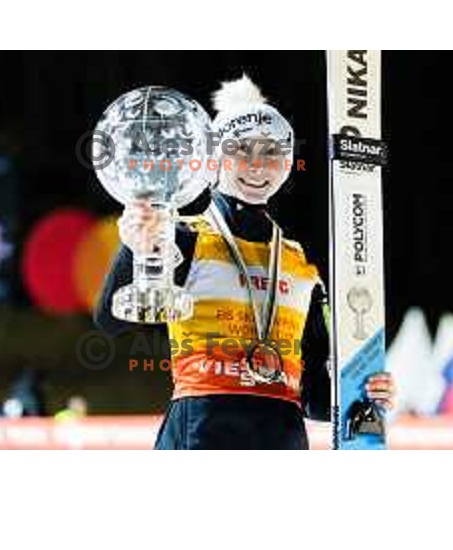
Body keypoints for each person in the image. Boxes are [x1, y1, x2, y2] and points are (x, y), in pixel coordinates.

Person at [95, 75, 395, 449]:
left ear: (286, 163)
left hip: (280, 441)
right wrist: (133, 248)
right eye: (241, 149)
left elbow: (315, 397)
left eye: (270, 151)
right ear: (214, 159)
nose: (257, 164)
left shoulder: (299, 262)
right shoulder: (185, 236)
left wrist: (361, 394)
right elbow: (109, 320)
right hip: (200, 437)